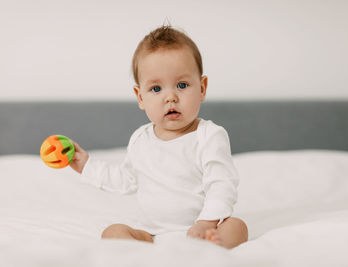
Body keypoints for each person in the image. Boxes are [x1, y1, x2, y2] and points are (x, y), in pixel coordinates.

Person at [70, 25, 248, 249]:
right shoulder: (140, 139)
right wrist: (86, 166)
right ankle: (143, 257)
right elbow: (127, 178)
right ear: (140, 97)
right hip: (151, 233)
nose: (170, 97)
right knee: (113, 232)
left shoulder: (209, 136)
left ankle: (209, 250)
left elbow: (222, 185)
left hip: (203, 228)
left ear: (202, 88)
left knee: (237, 226)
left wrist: (207, 223)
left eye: (182, 85)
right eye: (156, 89)